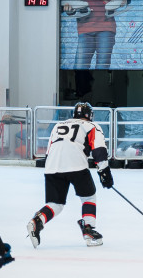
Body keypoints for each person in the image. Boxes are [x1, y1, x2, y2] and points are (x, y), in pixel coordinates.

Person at [26, 101, 112, 247]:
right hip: (76, 164)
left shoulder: (58, 126)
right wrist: (104, 173)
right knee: (89, 197)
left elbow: (49, 150)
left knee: (55, 204)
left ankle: (37, 221)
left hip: (52, 166)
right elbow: (99, 151)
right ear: (89, 115)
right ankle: (88, 230)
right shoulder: (91, 126)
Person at [63, 0, 127, 70]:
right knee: (80, 66)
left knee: (102, 65)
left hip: (106, 27)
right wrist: (70, 10)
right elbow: (73, 6)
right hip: (85, 28)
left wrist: (122, 1)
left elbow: (117, 3)